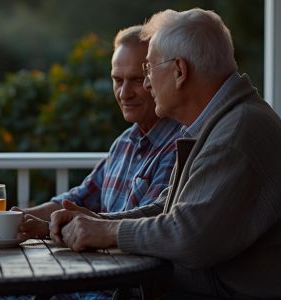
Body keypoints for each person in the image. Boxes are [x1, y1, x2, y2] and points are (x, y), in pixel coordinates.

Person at [49, 8, 281, 299]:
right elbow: (168, 209)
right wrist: (100, 222)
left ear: (179, 71)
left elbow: (189, 237)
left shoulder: (236, 133)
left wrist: (107, 232)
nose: (146, 84)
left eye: (148, 69)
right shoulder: (220, 124)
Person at [14, 25, 182, 240]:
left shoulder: (179, 145)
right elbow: (78, 199)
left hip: (140, 272)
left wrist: (47, 228)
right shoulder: (124, 143)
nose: (124, 93)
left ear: (159, 77)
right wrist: (20, 216)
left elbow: (146, 226)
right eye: (117, 80)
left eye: (137, 80)